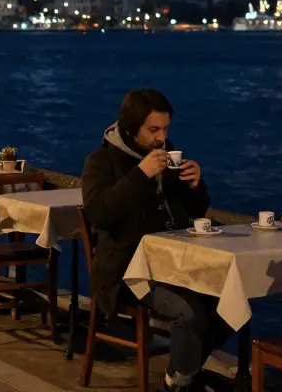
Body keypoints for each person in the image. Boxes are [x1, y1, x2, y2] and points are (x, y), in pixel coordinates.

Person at [82, 89, 231, 392]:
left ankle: (179, 377)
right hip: (128, 270)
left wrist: (194, 185)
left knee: (232, 305)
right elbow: (98, 214)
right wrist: (140, 174)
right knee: (188, 313)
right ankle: (183, 380)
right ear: (130, 127)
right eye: (153, 130)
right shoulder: (101, 161)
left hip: (176, 263)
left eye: (165, 129)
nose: (161, 137)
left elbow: (194, 211)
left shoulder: (167, 154)